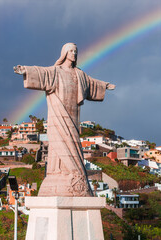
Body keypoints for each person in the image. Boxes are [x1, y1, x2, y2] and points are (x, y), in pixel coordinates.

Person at [14, 42, 115, 197]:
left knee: (73, 142)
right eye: (71, 51)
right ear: (65, 53)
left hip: (74, 116)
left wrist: (104, 85)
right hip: (59, 115)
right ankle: (59, 173)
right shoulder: (56, 71)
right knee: (59, 142)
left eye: (76, 51)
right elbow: (42, 73)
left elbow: (91, 83)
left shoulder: (79, 74)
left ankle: (75, 175)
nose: (74, 54)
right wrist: (25, 70)